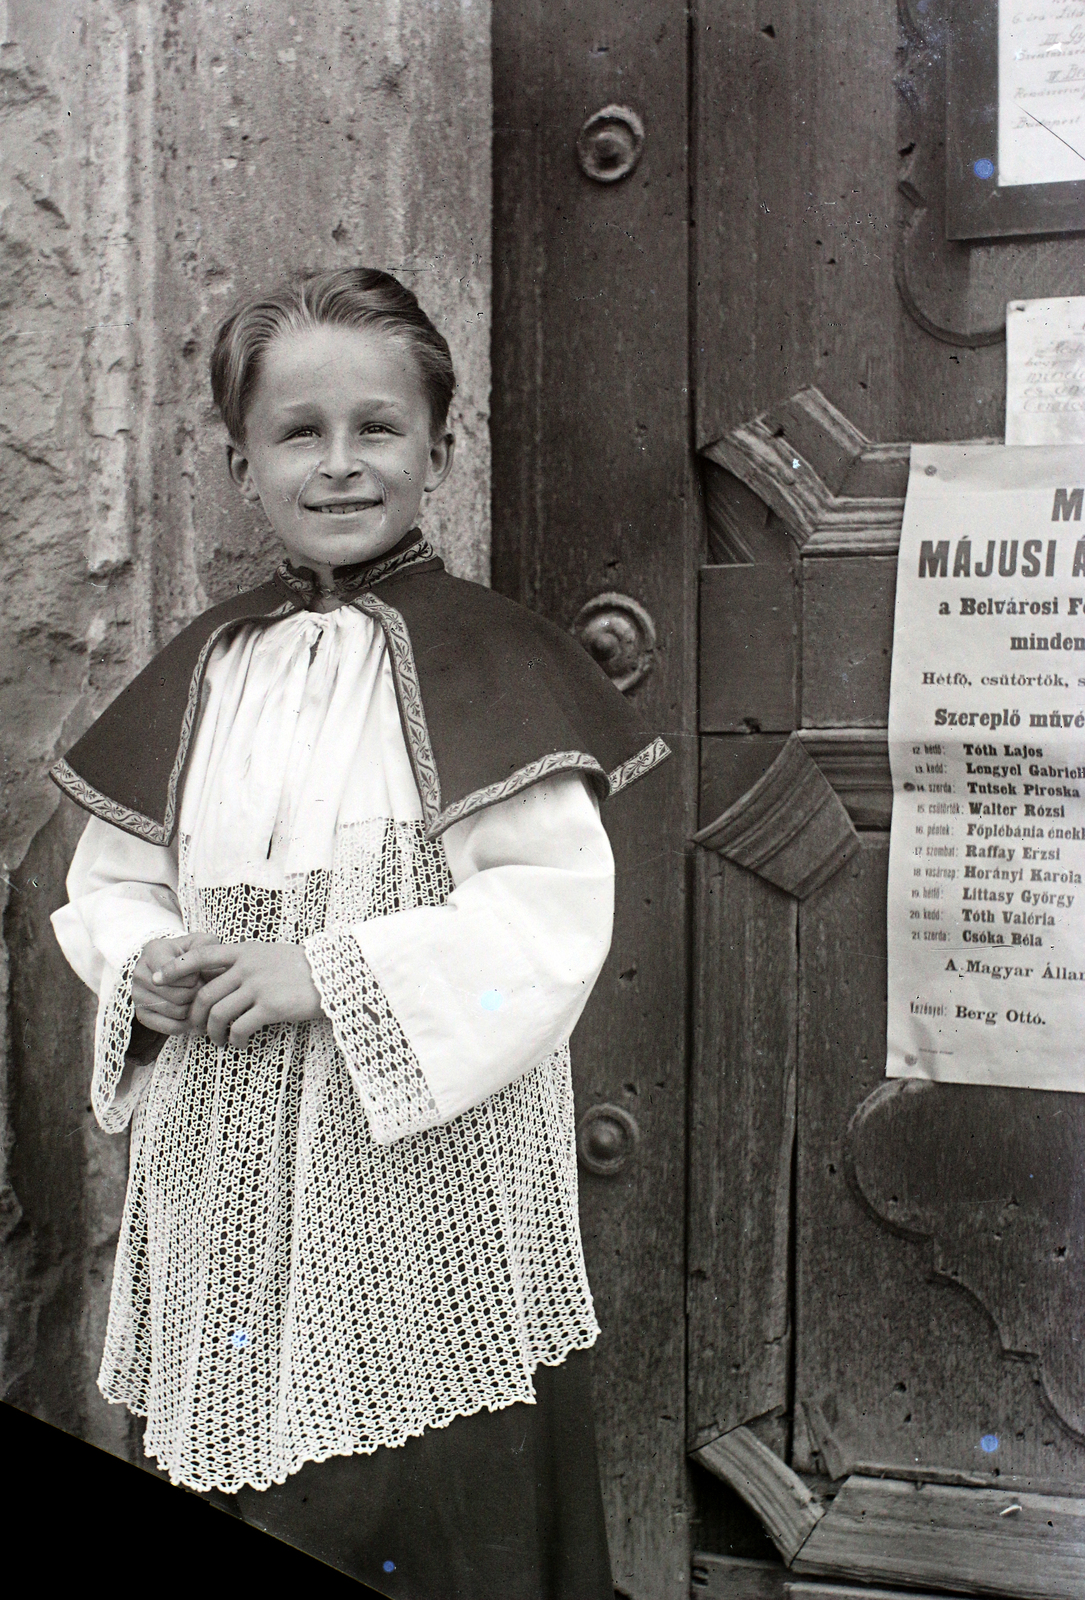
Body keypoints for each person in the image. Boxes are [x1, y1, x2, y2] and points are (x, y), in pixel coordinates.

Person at [50, 267, 669, 1600]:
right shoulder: (206, 669)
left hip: (420, 1180)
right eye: (298, 433)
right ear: (241, 461)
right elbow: (107, 885)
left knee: (436, 1506)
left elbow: (545, 923)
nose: (339, 465)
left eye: (376, 429)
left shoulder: (494, 662)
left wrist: (322, 972)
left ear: (438, 448)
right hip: (228, 1171)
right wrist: (140, 964)